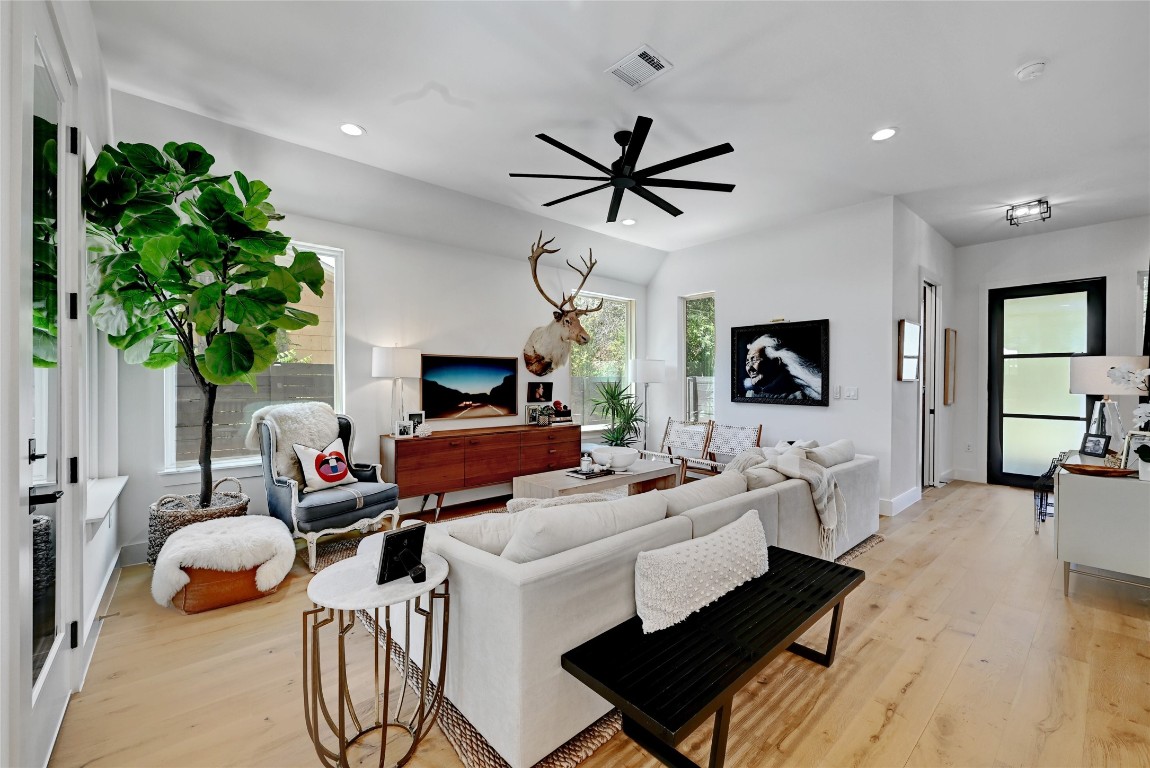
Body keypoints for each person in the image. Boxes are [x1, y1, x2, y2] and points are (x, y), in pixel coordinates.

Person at [743, 334, 822, 401]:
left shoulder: (799, 396)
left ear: (776, 362)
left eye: (754, 360)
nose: (750, 368)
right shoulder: (750, 394)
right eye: (747, 362)